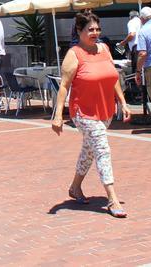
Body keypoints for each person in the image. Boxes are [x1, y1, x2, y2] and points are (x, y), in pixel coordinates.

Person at [52, 12, 131, 217]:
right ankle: (112, 198)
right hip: (83, 112)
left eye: (97, 29)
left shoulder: (104, 49)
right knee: (102, 148)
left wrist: (123, 102)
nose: (95, 33)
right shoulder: (74, 54)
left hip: (105, 110)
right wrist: (58, 115)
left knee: (89, 150)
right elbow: (64, 86)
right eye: (90, 30)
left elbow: (112, 77)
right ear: (79, 31)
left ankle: (75, 187)